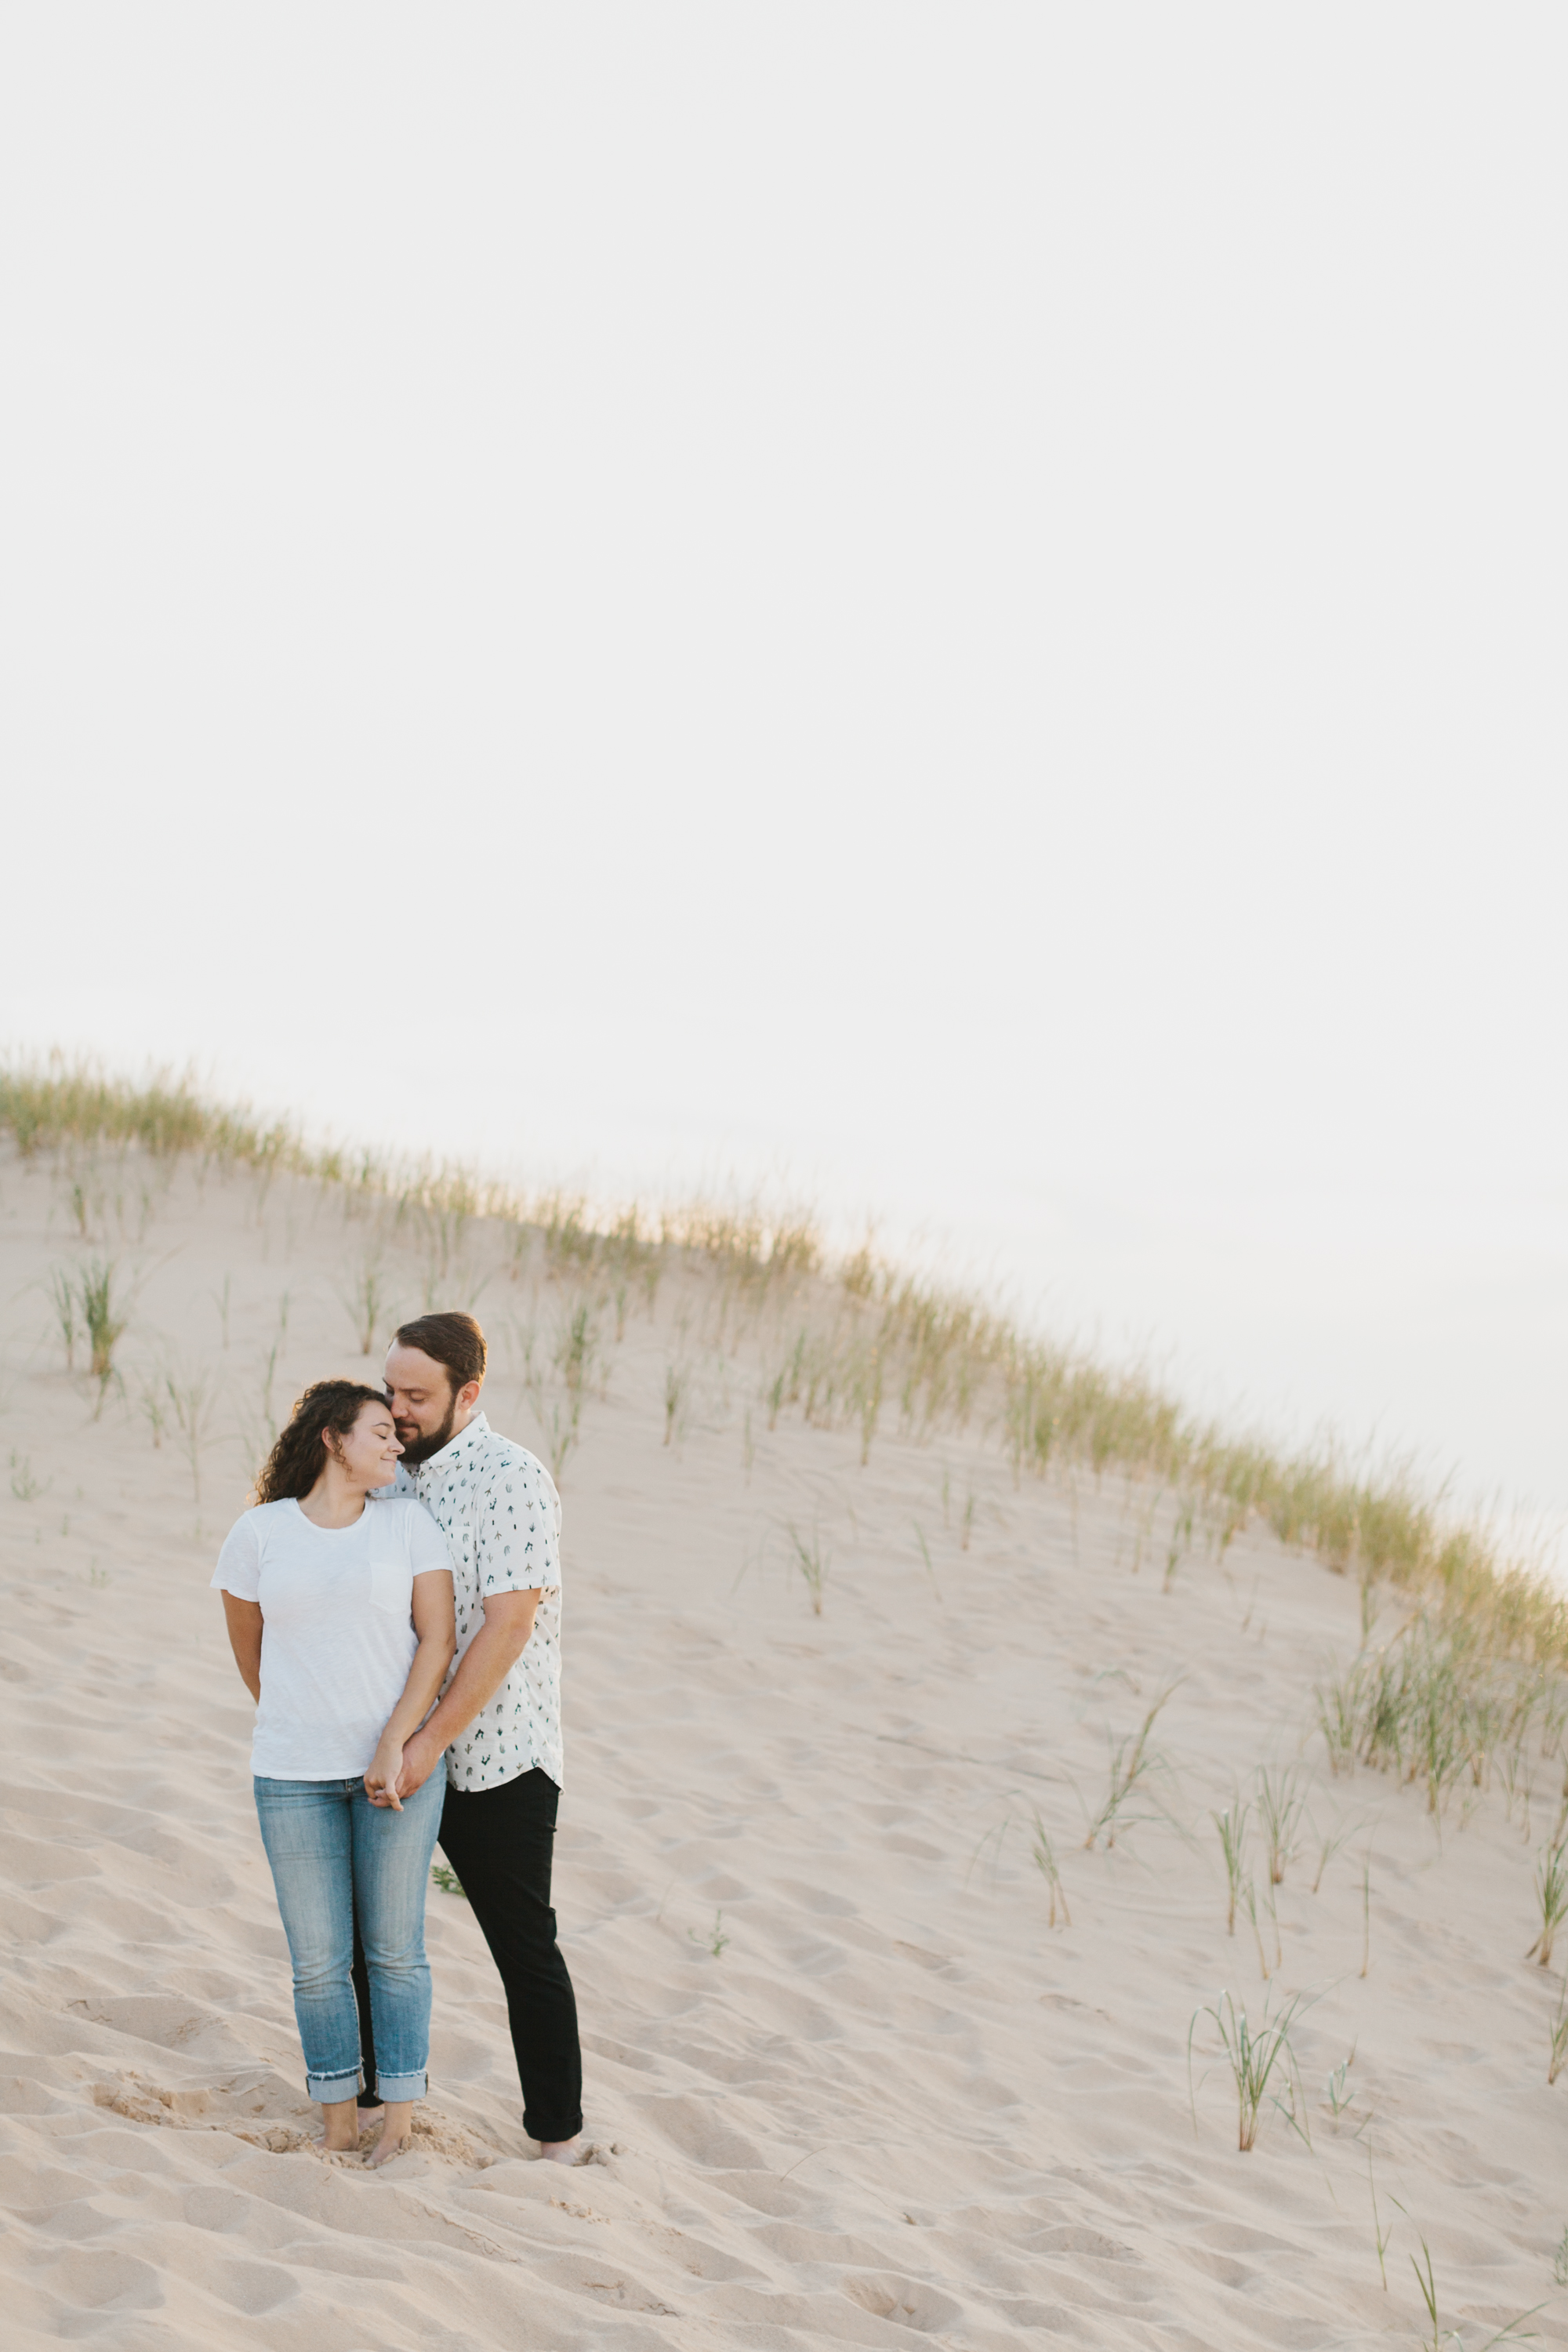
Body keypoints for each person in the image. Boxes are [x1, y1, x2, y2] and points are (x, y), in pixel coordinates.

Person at [212, 1381, 456, 2168]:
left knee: (393, 1951)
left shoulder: (407, 1524)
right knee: (318, 1960)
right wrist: (295, 1718)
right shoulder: (259, 1533)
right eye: (380, 1433)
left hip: (392, 1775)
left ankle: (399, 2128)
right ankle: (340, 2124)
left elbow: (438, 1642)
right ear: (330, 1437)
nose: (396, 1446)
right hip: (289, 1777)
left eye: (398, 1435)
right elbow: (250, 1649)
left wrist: (393, 1741)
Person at [359, 1309, 583, 2162]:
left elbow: (508, 1625)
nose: (400, 1409)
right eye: (391, 1390)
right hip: (392, 1745)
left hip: (497, 1754)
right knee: (369, 1932)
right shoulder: (389, 1471)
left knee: (522, 1944)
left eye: (417, 1395)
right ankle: (374, 2102)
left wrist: (430, 1742)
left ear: (469, 1393)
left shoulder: (511, 1476)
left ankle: (557, 2137)